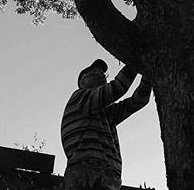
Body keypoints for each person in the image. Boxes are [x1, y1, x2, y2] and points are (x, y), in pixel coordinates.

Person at [61, 59, 152, 190]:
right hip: (87, 173)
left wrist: (148, 76)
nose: (101, 75)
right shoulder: (79, 98)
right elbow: (118, 88)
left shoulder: (105, 114)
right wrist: (136, 59)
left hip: (109, 177)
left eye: (103, 74)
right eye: (94, 72)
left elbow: (138, 101)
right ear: (82, 82)